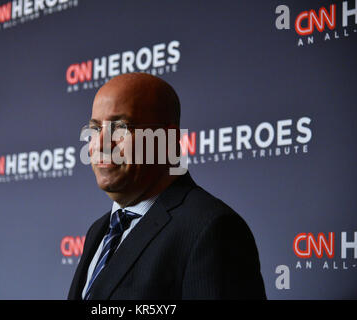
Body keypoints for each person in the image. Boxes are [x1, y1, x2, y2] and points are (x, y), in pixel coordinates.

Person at [68, 72, 266, 300]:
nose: (100, 144)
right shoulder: (99, 230)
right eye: (95, 129)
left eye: (120, 127)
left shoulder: (210, 230)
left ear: (167, 139)